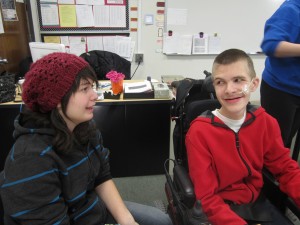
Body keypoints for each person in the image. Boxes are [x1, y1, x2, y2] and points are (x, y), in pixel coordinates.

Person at [0, 52, 172, 225]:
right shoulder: (31, 161)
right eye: (84, 89)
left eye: (92, 87)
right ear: (56, 99)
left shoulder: (83, 128)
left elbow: (102, 177)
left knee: (161, 220)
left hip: (91, 209)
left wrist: (127, 220)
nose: (95, 96)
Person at [185, 49, 300, 225]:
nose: (230, 90)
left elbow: (286, 169)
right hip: (220, 209)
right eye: (220, 82)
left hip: (256, 203)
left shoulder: (266, 122)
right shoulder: (200, 132)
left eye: (238, 80)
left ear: (254, 84)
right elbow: (207, 196)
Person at [260, 0, 300, 152]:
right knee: (275, 146)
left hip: (297, 88)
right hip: (281, 89)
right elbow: (270, 45)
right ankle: (267, 176)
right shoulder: (292, 9)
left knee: (287, 143)